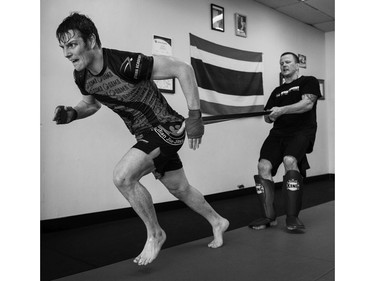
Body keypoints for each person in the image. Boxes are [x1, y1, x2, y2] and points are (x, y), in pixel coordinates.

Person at [53, 13, 229, 266]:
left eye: (72, 45)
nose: (67, 54)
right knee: (179, 188)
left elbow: (182, 69)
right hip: (144, 134)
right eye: (63, 48)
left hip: (167, 128)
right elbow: (91, 105)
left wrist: (194, 116)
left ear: (90, 40)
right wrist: (72, 113)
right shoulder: (81, 76)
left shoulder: (126, 63)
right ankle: (218, 221)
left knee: (123, 177)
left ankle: (156, 233)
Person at [248, 52, 321, 232]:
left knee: (290, 160)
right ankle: (269, 216)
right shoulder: (277, 91)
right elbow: (268, 118)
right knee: (263, 166)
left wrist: (281, 110)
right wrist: (270, 115)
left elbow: (307, 104)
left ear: (297, 66)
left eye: (288, 62)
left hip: (302, 131)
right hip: (279, 133)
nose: (284, 65)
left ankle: (292, 216)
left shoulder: (308, 81)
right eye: (281, 63)